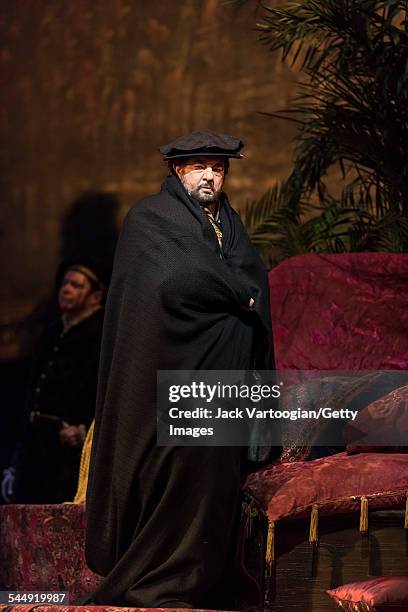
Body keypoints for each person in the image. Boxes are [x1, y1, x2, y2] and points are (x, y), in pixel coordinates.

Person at [85, 131, 274, 608]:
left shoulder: (230, 224)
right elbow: (174, 279)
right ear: (177, 170)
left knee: (215, 482)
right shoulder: (151, 218)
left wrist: (240, 294)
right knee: (175, 473)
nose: (211, 175)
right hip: (168, 370)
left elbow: (253, 277)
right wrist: (234, 294)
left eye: (219, 167)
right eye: (200, 167)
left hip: (224, 374)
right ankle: (160, 582)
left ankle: (200, 583)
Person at [1, 262, 105, 504]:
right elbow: (32, 393)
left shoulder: (99, 337)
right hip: (36, 444)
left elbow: (106, 390)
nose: (66, 289)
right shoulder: (51, 334)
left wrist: (84, 428)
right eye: (65, 284)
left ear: (95, 296)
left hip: (68, 448)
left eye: (76, 285)